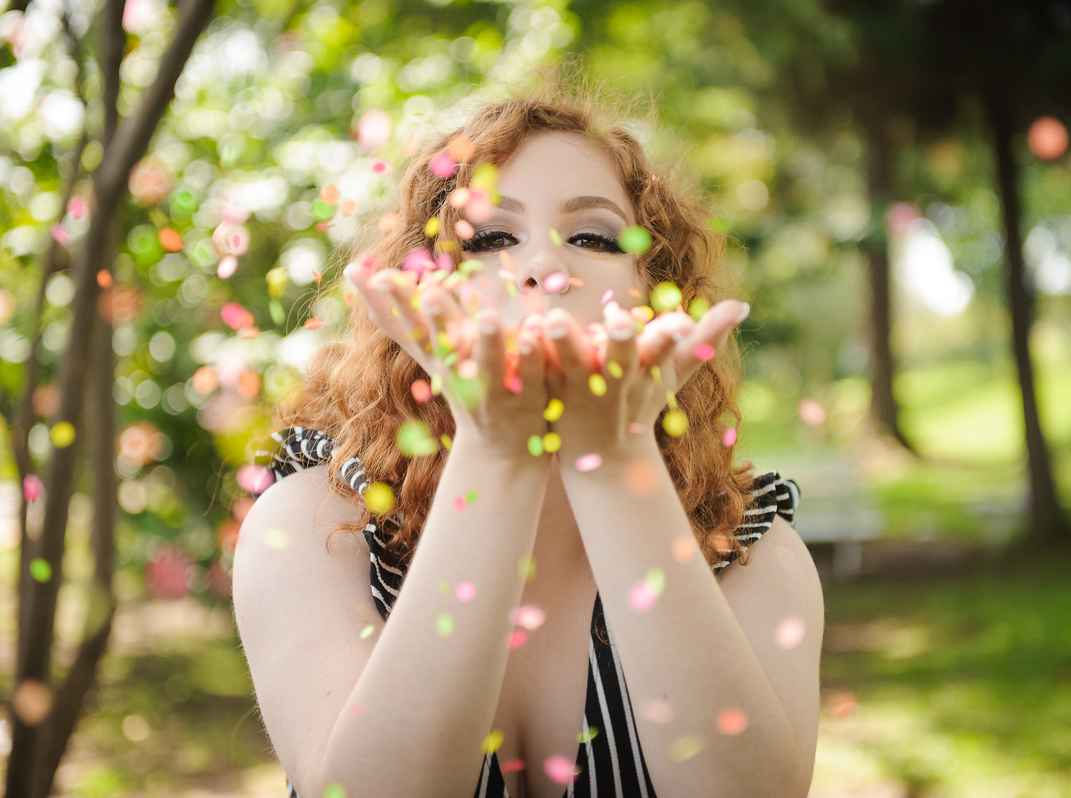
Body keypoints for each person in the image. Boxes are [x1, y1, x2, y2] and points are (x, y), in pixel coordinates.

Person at [232, 87, 824, 798]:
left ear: (652, 288)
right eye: (488, 239)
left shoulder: (751, 545)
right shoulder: (313, 523)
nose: (545, 267)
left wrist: (613, 455)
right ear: (419, 291)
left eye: (594, 237)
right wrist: (497, 445)